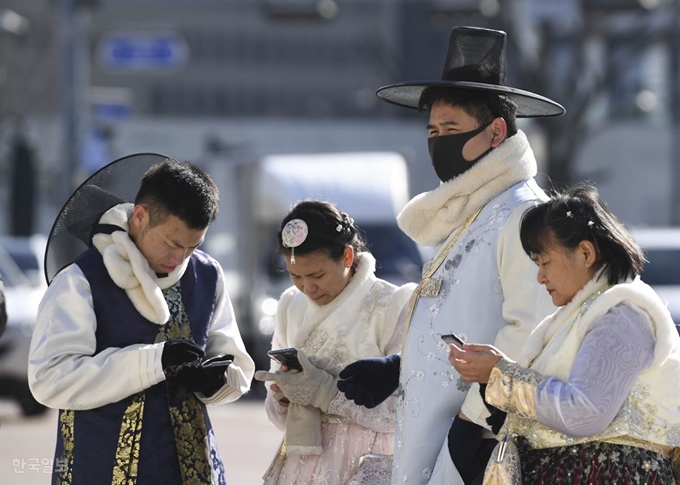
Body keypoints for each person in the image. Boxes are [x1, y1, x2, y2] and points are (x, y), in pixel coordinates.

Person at [336, 26, 566, 484]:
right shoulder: (475, 209)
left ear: (497, 132)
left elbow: (531, 331)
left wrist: (475, 421)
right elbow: (461, 321)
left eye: (452, 129)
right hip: (435, 434)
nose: (438, 141)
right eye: (433, 131)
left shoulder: (523, 212)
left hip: (477, 440)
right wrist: (400, 369)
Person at [28, 157, 255, 484]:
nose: (180, 258)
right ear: (140, 215)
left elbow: (237, 364)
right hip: (99, 468)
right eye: (173, 243)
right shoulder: (82, 279)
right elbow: (49, 378)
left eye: (193, 247)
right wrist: (152, 362)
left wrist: (219, 380)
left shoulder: (206, 274)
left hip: (192, 471)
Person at [449, 183, 680, 484]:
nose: (540, 277)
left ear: (586, 253)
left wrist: (502, 376)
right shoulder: (589, 312)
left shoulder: (620, 314)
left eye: (545, 262)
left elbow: (585, 411)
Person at [253, 200, 416, 485]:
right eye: (296, 276)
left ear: (348, 257)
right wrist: (282, 396)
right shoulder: (291, 306)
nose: (307, 287)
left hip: (367, 462)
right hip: (300, 466)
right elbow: (276, 415)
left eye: (317, 275)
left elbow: (405, 412)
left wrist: (326, 393)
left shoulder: (392, 305)